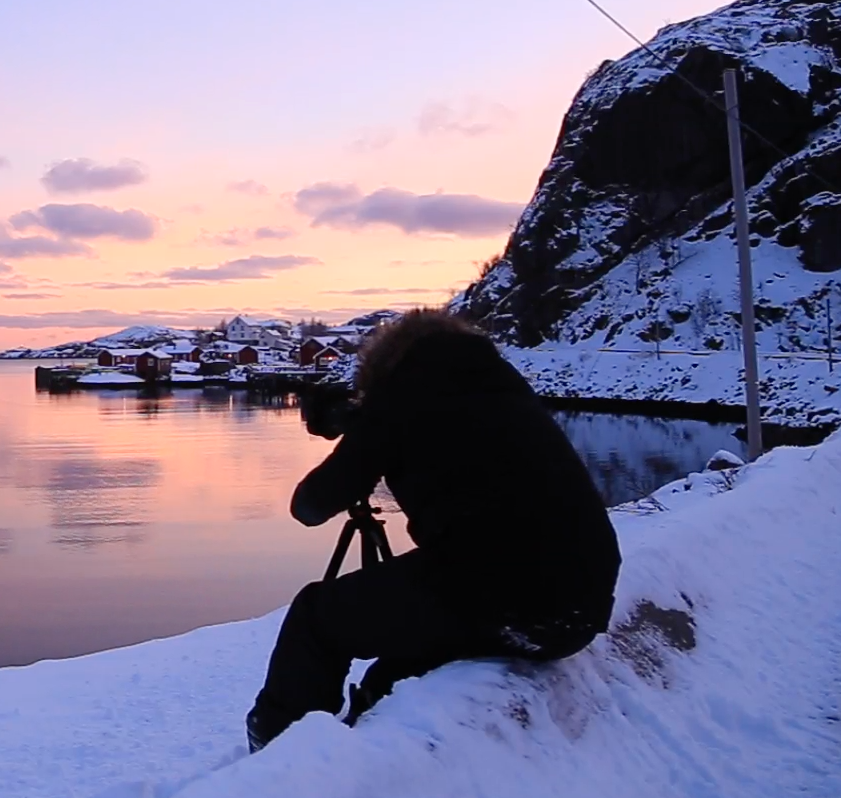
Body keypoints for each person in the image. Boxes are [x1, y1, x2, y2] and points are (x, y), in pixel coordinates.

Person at [246, 309, 620, 751]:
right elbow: (440, 424)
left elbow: (310, 506)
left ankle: (279, 752)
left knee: (316, 617)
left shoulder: (401, 396)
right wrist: (366, 421)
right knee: (393, 673)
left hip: (501, 591)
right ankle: (374, 749)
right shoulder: (498, 383)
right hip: (580, 609)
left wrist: (364, 426)